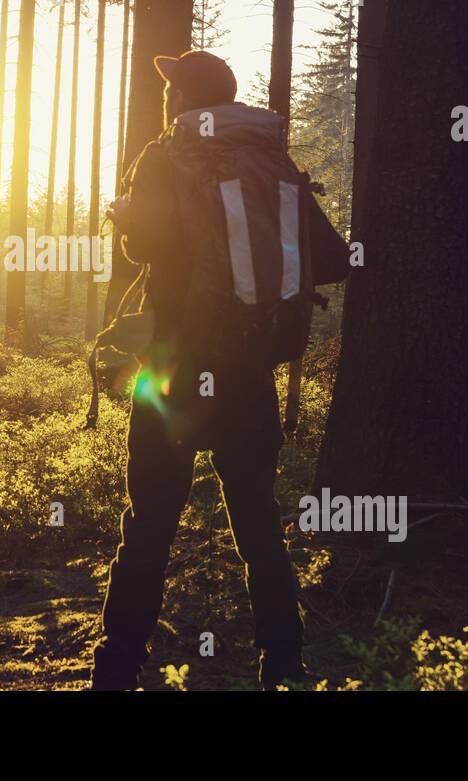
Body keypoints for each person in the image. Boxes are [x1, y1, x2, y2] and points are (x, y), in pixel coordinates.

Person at [89, 50, 306, 691]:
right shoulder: (271, 161)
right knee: (259, 523)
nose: (165, 100)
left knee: (149, 524)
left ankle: (116, 670)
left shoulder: (165, 156)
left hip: (173, 373)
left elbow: (144, 245)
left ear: (184, 99)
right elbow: (322, 254)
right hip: (247, 369)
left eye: (171, 89)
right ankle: (285, 666)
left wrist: (126, 218)